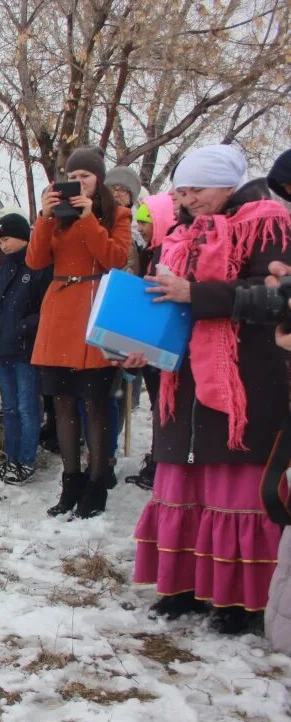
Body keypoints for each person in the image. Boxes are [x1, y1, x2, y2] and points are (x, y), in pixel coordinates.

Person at [130, 144, 291, 635]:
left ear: (225, 184)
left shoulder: (269, 223)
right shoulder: (181, 232)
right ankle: (183, 588)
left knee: (235, 490)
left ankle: (239, 602)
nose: (186, 198)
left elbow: (277, 298)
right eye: (180, 190)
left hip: (244, 379)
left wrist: (195, 294)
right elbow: (166, 304)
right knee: (185, 485)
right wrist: (141, 344)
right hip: (184, 379)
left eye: (195, 189)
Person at [27, 147, 131, 519]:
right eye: (73, 175)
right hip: (58, 311)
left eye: (86, 175)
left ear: (98, 179)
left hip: (94, 312)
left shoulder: (117, 214)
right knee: (63, 402)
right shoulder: (56, 217)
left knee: (95, 403)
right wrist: (44, 217)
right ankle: (70, 481)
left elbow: (115, 259)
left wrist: (89, 219)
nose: (79, 181)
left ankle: (97, 480)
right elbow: (36, 260)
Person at [0, 214, 51, 484]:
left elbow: (45, 309)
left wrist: (22, 327)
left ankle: (26, 460)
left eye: (6, 239)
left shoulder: (39, 267)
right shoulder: (2, 269)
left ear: (23, 236)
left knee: (27, 407)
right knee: (9, 408)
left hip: (25, 350)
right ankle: (10, 459)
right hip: (2, 350)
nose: (3, 245)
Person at [123, 193, 179, 490]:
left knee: (165, 406)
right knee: (159, 405)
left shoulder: (168, 253)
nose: (140, 228)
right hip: (152, 342)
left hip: (163, 342)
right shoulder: (153, 252)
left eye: (145, 222)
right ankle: (158, 460)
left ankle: (163, 463)